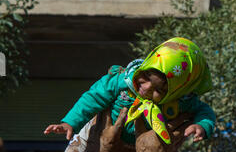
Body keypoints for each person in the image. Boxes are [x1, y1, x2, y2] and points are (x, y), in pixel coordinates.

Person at [44, 37, 216, 145]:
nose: (146, 87)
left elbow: (204, 110)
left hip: (136, 151)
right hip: (96, 141)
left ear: (177, 91)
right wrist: (70, 123)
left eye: (159, 89)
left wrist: (202, 125)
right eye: (147, 76)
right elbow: (93, 97)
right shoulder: (122, 81)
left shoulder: (182, 100)